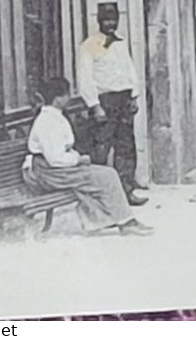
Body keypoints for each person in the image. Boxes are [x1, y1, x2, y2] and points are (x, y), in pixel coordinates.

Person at [25, 77, 153, 236]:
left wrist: (76, 158)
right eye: (66, 95)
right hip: (50, 173)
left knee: (101, 175)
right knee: (108, 176)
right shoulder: (47, 122)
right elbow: (55, 158)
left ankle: (107, 219)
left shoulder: (55, 116)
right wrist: (78, 159)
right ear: (58, 99)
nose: (69, 98)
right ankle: (126, 223)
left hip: (57, 169)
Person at [77, 2, 147, 206]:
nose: (110, 24)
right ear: (99, 21)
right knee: (101, 149)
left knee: (126, 147)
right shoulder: (89, 45)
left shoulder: (121, 42)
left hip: (123, 100)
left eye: (113, 19)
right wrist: (94, 105)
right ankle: (98, 197)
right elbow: (85, 79)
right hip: (105, 102)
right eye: (106, 20)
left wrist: (134, 96)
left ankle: (126, 192)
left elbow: (129, 69)